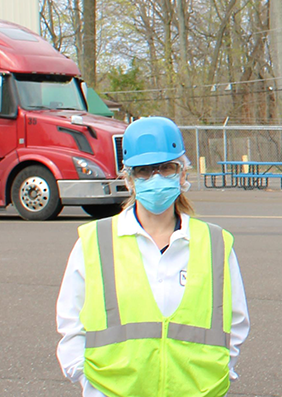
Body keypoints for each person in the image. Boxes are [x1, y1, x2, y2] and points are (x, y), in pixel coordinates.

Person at [56, 116, 250, 396]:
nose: (156, 178)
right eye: (144, 171)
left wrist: (220, 374)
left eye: (166, 168)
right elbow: (71, 322)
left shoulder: (215, 243)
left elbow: (235, 322)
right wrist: (89, 382)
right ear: (129, 179)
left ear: (183, 173)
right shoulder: (95, 242)